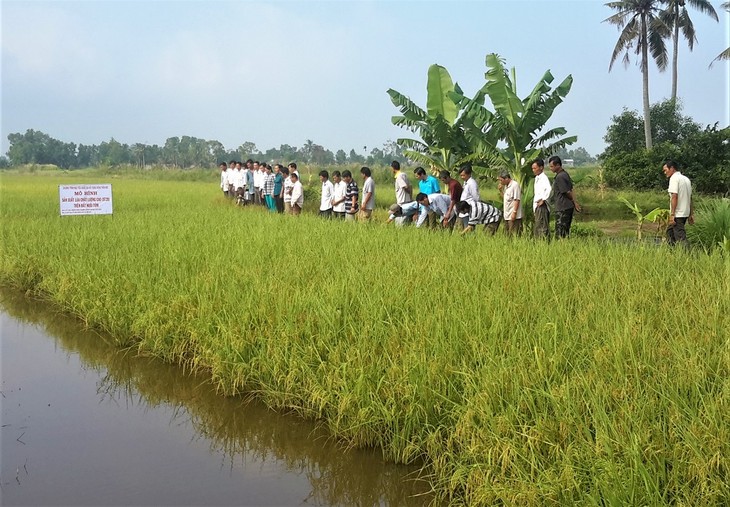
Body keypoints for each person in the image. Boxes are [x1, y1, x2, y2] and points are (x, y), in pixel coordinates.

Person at [662, 160, 693, 247]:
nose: (665, 173)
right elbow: (690, 198)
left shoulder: (674, 179)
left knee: (680, 237)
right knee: (670, 233)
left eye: (665, 170)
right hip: (685, 212)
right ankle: (673, 254)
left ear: (671, 168)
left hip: (678, 213)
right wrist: (691, 214)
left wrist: (672, 214)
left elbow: (674, 196)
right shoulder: (686, 179)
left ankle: (688, 256)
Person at [549, 155, 581, 238]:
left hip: (563, 207)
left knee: (560, 232)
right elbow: (571, 189)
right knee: (565, 231)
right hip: (566, 206)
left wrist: (574, 202)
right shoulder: (564, 174)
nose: (550, 168)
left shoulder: (560, 177)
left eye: (552, 166)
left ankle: (562, 248)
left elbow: (567, 192)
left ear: (558, 165)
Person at [497, 170, 523, 235]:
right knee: (507, 234)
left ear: (506, 178)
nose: (500, 182)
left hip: (513, 216)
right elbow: (506, 199)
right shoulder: (506, 186)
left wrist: (514, 213)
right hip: (507, 215)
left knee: (514, 234)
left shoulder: (515, 185)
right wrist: (500, 191)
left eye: (501, 180)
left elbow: (517, 200)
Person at [531, 158, 551, 240]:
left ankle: (544, 242)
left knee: (542, 226)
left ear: (541, 167)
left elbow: (549, 189)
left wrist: (543, 199)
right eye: (532, 168)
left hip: (541, 206)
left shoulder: (543, 178)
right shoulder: (537, 178)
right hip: (537, 205)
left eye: (535, 168)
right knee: (538, 225)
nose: (533, 170)